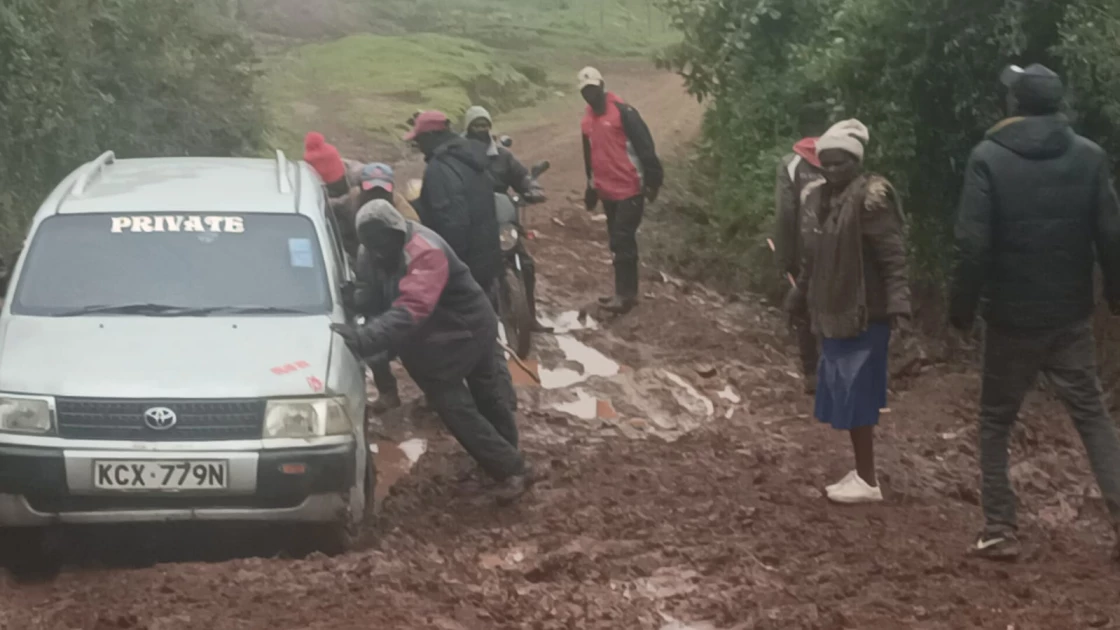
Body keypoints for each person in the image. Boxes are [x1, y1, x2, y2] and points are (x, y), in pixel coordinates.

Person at [949, 63, 1120, 560]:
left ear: (1015, 103)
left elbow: (972, 245)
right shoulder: (1089, 156)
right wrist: (1115, 297)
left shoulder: (987, 158)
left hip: (1010, 318)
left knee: (995, 420)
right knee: (1092, 415)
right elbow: (1111, 234)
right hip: (1070, 315)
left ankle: (1000, 528)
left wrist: (961, 311)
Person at [331, 200, 533, 502]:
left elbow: (412, 308)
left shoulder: (425, 252)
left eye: (384, 244)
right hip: (434, 339)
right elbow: (372, 294)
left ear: (399, 232)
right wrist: (355, 299)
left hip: (467, 329)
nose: (379, 252)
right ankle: (502, 460)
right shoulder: (368, 253)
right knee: (474, 401)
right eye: (372, 247)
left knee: (469, 404)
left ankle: (512, 468)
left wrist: (365, 338)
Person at [797, 119, 910, 505]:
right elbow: (813, 254)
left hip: (866, 312)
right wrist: (799, 294)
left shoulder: (871, 199)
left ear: (856, 162)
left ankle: (867, 479)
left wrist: (899, 305)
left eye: (840, 163)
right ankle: (862, 472)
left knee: (858, 394)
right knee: (846, 392)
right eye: (826, 163)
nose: (832, 170)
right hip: (835, 310)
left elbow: (893, 256)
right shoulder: (823, 199)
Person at [579, 67, 663, 314]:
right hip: (608, 191)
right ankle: (623, 292)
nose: (590, 95)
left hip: (630, 188)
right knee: (617, 241)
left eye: (593, 89)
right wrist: (591, 187)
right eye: (585, 92)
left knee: (622, 238)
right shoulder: (586, 121)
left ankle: (626, 295)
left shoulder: (625, 113)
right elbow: (590, 157)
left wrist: (653, 181)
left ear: (602, 86)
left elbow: (645, 147)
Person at [463, 105, 551, 332]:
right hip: (472, 222)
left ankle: (530, 317)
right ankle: (470, 320)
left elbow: (522, 176)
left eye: (485, 124)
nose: (481, 129)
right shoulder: (460, 156)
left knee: (527, 265)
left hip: (502, 220)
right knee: (463, 268)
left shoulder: (502, 156)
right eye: (476, 125)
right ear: (468, 128)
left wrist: (532, 188)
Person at [406, 110, 503, 304]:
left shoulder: (439, 168)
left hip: (464, 267)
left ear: (431, 136)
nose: (419, 146)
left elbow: (452, 223)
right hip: (487, 259)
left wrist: (450, 270)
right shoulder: (471, 157)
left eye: (420, 139)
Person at [775, 132, 826, 393]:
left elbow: (786, 213)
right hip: (836, 248)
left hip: (801, 249)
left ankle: (812, 372)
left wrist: (784, 256)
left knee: (803, 308)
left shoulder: (790, 164)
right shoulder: (842, 158)